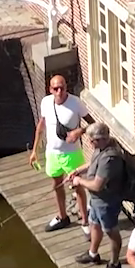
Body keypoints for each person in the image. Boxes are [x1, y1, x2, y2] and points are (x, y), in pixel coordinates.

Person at [27, 74, 87, 231]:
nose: (60, 91)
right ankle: (62, 216)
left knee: (77, 185)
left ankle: (85, 221)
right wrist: (35, 151)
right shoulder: (46, 102)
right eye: (56, 88)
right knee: (57, 184)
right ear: (50, 89)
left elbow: (93, 125)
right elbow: (41, 125)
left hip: (71, 153)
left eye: (62, 88)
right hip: (52, 153)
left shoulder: (75, 103)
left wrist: (79, 131)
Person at [71, 122, 128, 267]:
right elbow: (92, 164)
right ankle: (93, 254)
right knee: (94, 224)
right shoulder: (100, 148)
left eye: (92, 140)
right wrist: (78, 171)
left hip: (106, 203)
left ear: (102, 139)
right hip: (97, 201)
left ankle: (115, 264)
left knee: (111, 232)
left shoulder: (110, 158)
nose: (90, 142)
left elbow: (97, 185)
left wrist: (79, 181)